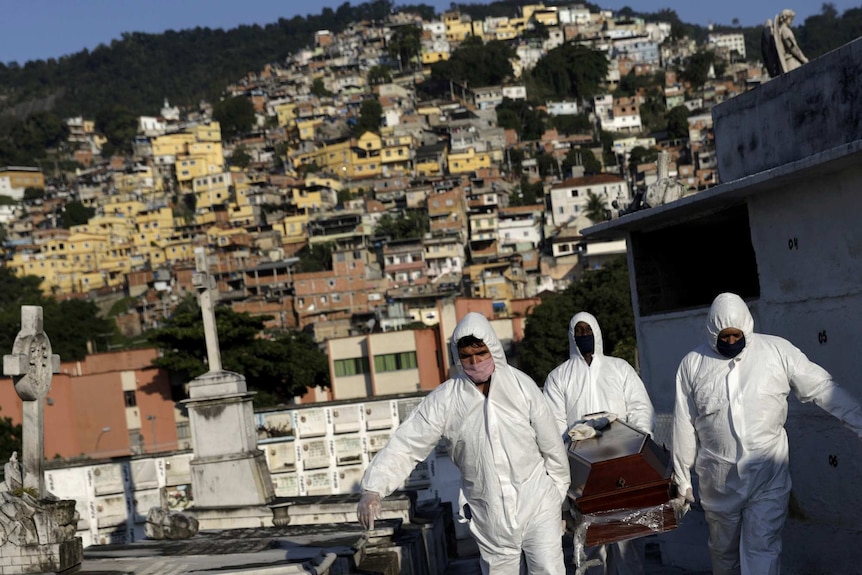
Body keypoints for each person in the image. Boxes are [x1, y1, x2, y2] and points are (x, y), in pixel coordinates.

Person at [357, 312, 570, 575]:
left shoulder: (522, 388)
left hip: (537, 501)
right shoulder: (446, 399)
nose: (475, 362)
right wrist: (373, 489)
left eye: (481, 353)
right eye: (467, 356)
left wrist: (557, 495)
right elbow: (407, 443)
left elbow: (552, 447)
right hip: (488, 512)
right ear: (458, 357)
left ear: (492, 348)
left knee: (549, 570)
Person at [672, 292, 862, 574]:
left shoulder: (777, 352)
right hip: (719, 482)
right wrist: (682, 478)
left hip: (767, 477)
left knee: (762, 550)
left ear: (747, 328)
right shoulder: (693, 364)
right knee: (723, 556)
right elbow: (683, 422)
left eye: (737, 336)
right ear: (713, 332)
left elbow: (822, 388)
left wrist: (859, 420)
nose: (732, 343)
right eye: (725, 338)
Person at [544, 311, 655, 575]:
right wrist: (573, 446)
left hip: (623, 469)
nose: (584, 337)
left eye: (588, 331)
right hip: (584, 478)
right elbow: (553, 426)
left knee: (629, 541)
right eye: (579, 332)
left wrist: (634, 444)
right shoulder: (559, 377)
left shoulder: (620, 369)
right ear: (572, 336)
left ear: (598, 333)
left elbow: (641, 408)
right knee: (591, 545)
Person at [775, 9, 808, 73]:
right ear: (785, 19)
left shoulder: (780, 31)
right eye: (791, 19)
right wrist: (803, 58)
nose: (792, 22)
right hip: (791, 62)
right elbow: (793, 48)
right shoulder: (785, 30)